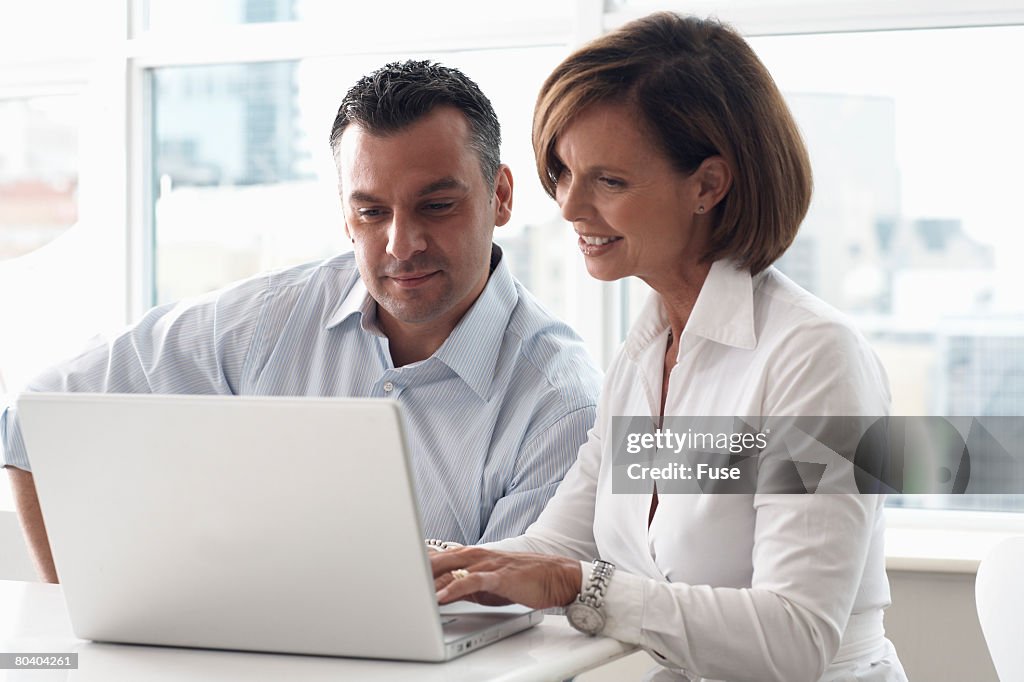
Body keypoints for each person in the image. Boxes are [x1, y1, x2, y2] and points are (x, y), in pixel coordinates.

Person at [430, 13, 907, 682]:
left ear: (708, 185)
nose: (569, 206)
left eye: (609, 181)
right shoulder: (646, 353)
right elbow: (555, 547)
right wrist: (436, 570)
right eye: (563, 173)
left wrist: (578, 587)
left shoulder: (814, 359)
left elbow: (797, 639)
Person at [1, 60, 601, 583]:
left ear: (500, 196)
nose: (401, 244)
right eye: (370, 212)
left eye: (436, 206)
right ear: (345, 216)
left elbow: (509, 630)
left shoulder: (561, 403)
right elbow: (35, 419)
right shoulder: (267, 322)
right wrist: (76, 624)